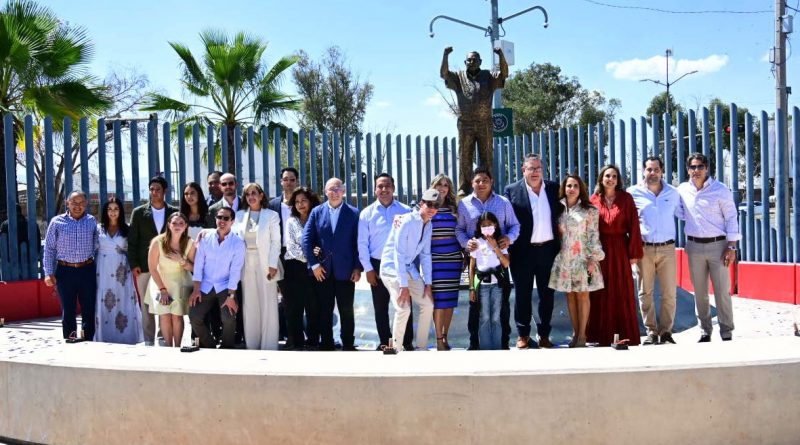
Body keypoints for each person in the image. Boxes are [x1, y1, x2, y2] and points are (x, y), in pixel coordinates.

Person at [677, 153, 740, 342]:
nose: (696, 171)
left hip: (718, 246)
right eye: (692, 167)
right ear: (688, 169)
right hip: (694, 246)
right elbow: (680, 212)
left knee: (722, 291)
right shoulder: (681, 190)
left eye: (700, 167)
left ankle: (726, 330)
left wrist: (732, 247)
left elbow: (731, 218)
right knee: (700, 292)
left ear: (707, 169)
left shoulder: (720, 190)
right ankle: (705, 330)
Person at [456, 166, 520, 349]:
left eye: (485, 180)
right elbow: (459, 229)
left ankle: (503, 344)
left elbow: (515, 226)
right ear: (472, 183)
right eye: (477, 180)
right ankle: (475, 344)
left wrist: (509, 238)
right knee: (476, 309)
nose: (481, 183)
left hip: (500, 265)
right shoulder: (464, 204)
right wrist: (466, 243)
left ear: (491, 182)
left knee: (502, 309)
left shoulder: (503, 202)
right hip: (477, 267)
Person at [504, 153, 560, 349]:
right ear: (523, 170)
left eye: (538, 168)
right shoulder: (511, 190)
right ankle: (523, 335)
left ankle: (544, 334)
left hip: (548, 250)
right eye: (531, 168)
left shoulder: (553, 188)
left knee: (547, 295)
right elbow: (507, 221)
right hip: (522, 251)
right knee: (522, 294)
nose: (535, 172)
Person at [440, 46, 509, 196]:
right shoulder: (459, 77)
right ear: (465, 62)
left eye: (474, 60)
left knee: (486, 157)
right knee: (465, 155)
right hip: (466, 124)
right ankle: (464, 186)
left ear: (480, 61)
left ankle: (487, 185)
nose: (471, 62)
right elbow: (444, 73)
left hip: (485, 123)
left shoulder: (488, 76)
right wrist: (446, 55)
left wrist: (500, 55)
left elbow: (504, 73)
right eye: (469, 60)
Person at [303, 178, 362, 351]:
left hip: (346, 271)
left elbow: (360, 242)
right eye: (331, 189)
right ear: (325, 191)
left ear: (343, 191)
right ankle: (326, 343)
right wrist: (314, 265)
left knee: (346, 311)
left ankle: (348, 344)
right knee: (324, 310)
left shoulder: (354, 213)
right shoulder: (316, 212)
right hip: (323, 271)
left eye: (338, 189)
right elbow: (306, 239)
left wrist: (358, 267)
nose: (335, 192)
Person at [628, 156, 682, 345]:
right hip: (644, 249)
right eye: (649, 169)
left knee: (669, 293)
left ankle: (666, 332)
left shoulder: (673, 193)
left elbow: (685, 213)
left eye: (656, 169)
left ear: (662, 171)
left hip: (667, 248)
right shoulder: (633, 193)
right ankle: (651, 331)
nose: (653, 173)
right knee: (645, 292)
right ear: (644, 171)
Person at [588, 165, 643, 347]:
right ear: (601, 179)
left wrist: (634, 253)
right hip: (599, 250)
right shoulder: (593, 200)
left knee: (622, 292)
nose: (610, 179)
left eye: (614, 176)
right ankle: (599, 335)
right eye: (607, 176)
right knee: (600, 292)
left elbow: (634, 226)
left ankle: (626, 335)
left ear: (618, 180)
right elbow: (587, 229)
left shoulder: (626, 199)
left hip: (620, 249)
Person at [358, 173, 413, 350]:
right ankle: (384, 342)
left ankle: (406, 342)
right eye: (380, 186)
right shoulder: (367, 214)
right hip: (377, 265)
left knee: (404, 305)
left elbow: (412, 239)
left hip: (401, 265)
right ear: (375, 189)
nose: (384, 189)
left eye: (387, 185)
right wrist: (368, 269)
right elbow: (362, 244)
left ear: (393, 188)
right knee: (380, 307)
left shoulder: (406, 211)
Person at [548, 175, 605, 348]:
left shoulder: (590, 210)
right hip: (565, 260)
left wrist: (592, 258)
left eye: (575, 186)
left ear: (581, 189)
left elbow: (594, 235)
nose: (571, 189)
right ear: (564, 188)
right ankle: (574, 333)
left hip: (583, 258)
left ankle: (582, 335)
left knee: (583, 295)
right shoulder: (559, 209)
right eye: (568, 186)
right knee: (570, 295)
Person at [379, 189, 439, 351]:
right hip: (392, 268)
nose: (432, 208)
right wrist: (404, 286)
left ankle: (421, 347)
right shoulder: (406, 221)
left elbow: (426, 255)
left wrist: (428, 283)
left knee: (427, 304)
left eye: (436, 205)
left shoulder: (429, 224)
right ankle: (396, 348)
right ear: (421, 204)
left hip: (409, 269)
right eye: (429, 204)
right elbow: (398, 254)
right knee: (403, 307)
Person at [128, 176, 178, 346]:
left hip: (167, 267)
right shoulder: (139, 212)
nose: (154, 192)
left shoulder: (174, 212)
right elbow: (132, 241)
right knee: (146, 304)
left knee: (165, 302)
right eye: (151, 189)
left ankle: (163, 337)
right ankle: (149, 340)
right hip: (143, 266)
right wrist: (133, 264)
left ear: (165, 191)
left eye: (157, 189)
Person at [43, 191, 99, 340]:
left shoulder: (91, 221)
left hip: (87, 270)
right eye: (74, 203)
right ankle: (70, 338)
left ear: (86, 204)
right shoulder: (57, 222)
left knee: (88, 308)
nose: (78, 206)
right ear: (67, 203)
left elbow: (98, 246)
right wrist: (49, 272)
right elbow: (49, 248)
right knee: (68, 309)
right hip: (65, 271)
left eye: (81, 203)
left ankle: (88, 339)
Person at [233, 183, 281, 350]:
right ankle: (252, 344)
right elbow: (231, 238)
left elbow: (276, 242)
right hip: (246, 262)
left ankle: (269, 345)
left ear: (261, 195)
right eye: (247, 194)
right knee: (250, 303)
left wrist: (273, 264)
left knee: (268, 303)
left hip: (266, 262)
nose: (251, 197)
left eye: (254, 193)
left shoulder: (272, 215)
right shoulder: (239, 216)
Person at [189, 206, 246, 349]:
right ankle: (210, 345)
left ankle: (227, 347)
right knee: (194, 316)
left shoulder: (238, 243)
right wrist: (196, 290)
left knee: (229, 317)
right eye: (219, 217)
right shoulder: (205, 238)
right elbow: (198, 265)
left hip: (225, 286)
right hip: (205, 285)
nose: (222, 220)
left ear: (232, 221)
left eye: (226, 218)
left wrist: (231, 296)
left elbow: (235, 271)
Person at [94, 197, 143, 344]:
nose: (113, 212)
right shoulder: (98, 229)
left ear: (120, 211)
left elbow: (134, 249)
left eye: (116, 209)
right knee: (104, 299)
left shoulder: (127, 229)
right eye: (109, 209)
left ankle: (126, 337)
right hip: (102, 268)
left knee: (123, 299)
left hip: (121, 270)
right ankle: (105, 336)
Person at [144, 213, 196, 347]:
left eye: (181, 223)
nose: (177, 226)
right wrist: (162, 290)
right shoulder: (158, 242)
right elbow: (152, 268)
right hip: (160, 281)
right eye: (174, 223)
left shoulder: (190, 243)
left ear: (185, 226)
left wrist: (182, 261)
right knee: (165, 315)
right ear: (169, 225)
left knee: (177, 316)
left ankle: (178, 347)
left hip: (180, 282)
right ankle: (168, 346)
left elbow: (195, 267)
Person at [283, 187, 322, 350]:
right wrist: (311, 258)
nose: (300, 204)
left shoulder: (318, 219)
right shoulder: (291, 221)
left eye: (303, 200)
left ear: (311, 201)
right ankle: (295, 342)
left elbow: (321, 243)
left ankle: (313, 341)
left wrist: (317, 255)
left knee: (313, 306)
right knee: (293, 307)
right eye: (297, 202)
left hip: (315, 270)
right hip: (294, 268)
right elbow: (292, 248)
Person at [468, 212, 511, 350]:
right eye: (483, 225)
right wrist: (471, 288)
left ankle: (498, 347)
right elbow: (472, 266)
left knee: (496, 317)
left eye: (489, 225)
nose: (486, 227)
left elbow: (506, 263)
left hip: (497, 285)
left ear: (495, 225)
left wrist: (495, 247)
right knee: (484, 317)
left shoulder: (501, 241)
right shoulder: (476, 242)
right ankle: (485, 349)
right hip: (483, 286)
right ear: (479, 227)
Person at [429, 174, 461, 351]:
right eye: (439, 185)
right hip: (436, 260)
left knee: (450, 301)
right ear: (433, 187)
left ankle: (446, 336)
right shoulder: (427, 205)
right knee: (439, 301)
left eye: (446, 185)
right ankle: (438, 339)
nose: (442, 188)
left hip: (453, 259)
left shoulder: (454, 207)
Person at [269, 167, 299, 347]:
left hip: (299, 257)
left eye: (292, 179)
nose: (289, 183)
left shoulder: (302, 202)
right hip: (279, 255)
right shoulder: (273, 205)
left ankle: (296, 337)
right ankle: (285, 334)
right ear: (281, 182)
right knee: (283, 298)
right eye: (286, 179)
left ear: (296, 182)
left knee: (296, 298)